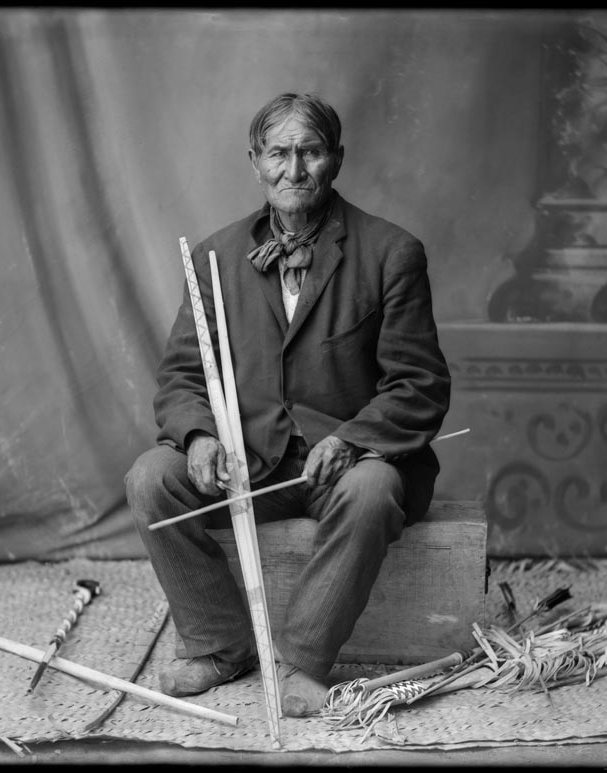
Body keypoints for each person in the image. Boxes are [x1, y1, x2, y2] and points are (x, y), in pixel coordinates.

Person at [126, 92, 451, 718]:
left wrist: (353, 439)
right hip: (249, 463)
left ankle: (302, 660)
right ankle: (221, 645)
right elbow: (181, 377)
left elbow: (420, 385)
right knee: (149, 479)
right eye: (278, 153)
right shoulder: (214, 258)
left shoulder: (392, 253)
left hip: (347, 464)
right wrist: (197, 437)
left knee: (374, 490)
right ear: (255, 162)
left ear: (336, 160)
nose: (293, 170)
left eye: (310, 152)